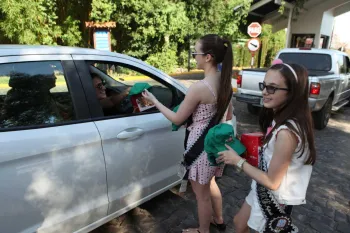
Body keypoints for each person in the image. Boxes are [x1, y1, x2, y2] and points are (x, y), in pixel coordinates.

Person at [142, 34, 234, 233]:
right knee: (210, 185)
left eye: (196, 53)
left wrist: (155, 102)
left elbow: (177, 119)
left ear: (208, 57)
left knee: (201, 195)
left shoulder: (199, 88)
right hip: (214, 145)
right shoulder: (225, 82)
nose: (194, 57)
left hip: (198, 148)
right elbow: (229, 114)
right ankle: (218, 219)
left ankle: (203, 230)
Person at [217, 60, 316, 233]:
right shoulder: (279, 118)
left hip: (274, 198)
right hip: (261, 187)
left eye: (272, 88)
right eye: (264, 85)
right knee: (239, 223)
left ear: (292, 92)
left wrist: (237, 161)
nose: (264, 92)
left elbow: (272, 182)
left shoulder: (287, 133)